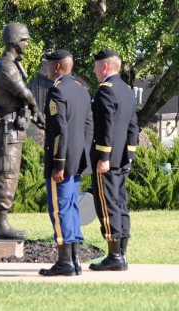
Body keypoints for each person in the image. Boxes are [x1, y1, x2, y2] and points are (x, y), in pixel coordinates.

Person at [0, 22, 45, 240]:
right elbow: (25, 93)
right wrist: (35, 110)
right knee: (6, 174)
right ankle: (1, 226)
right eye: (24, 40)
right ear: (14, 41)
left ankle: (2, 223)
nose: (27, 44)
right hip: (6, 131)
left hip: (11, 129)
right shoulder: (6, 66)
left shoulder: (10, 63)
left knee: (8, 174)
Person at [38, 50, 93, 276]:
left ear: (58, 67)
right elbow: (89, 127)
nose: (47, 69)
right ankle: (75, 259)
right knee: (71, 207)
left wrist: (59, 162)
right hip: (78, 160)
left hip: (62, 161)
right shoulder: (81, 90)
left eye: (50, 65)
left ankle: (65, 262)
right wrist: (83, 155)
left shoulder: (56, 91)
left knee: (60, 209)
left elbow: (59, 130)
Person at [89, 49, 139, 271]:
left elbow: (105, 127)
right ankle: (122, 254)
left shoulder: (105, 91)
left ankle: (114, 257)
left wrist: (104, 157)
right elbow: (133, 126)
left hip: (108, 161)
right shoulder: (127, 90)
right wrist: (130, 154)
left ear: (105, 67)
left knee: (107, 205)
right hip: (122, 160)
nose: (94, 70)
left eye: (96, 66)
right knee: (120, 204)